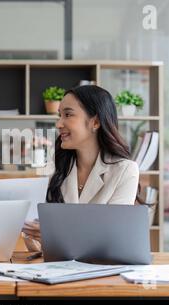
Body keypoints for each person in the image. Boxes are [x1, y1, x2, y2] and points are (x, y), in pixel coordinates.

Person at [22, 85, 139, 250]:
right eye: (59, 115)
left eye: (68, 115)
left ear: (96, 122)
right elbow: (38, 243)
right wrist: (32, 233)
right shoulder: (55, 167)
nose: (58, 124)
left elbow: (113, 238)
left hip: (102, 270)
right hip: (58, 269)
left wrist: (55, 233)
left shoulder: (125, 170)